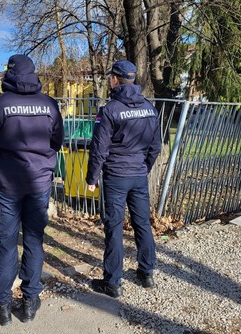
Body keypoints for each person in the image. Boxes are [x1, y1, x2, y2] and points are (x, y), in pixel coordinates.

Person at [0, 54, 64, 326]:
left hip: (8, 185)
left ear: (8, 74)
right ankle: (30, 301)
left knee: (7, 243)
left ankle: (2, 305)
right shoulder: (49, 105)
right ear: (34, 74)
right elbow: (57, 141)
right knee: (33, 240)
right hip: (39, 184)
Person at [85, 60, 161, 297]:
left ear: (115, 79)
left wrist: (91, 177)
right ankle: (146, 273)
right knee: (142, 224)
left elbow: (99, 149)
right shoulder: (150, 107)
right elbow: (156, 146)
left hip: (116, 176)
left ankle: (113, 282)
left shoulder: (110, 110)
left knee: (114, 228)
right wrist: (143, 167)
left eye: (111, 77)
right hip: (138, 174)